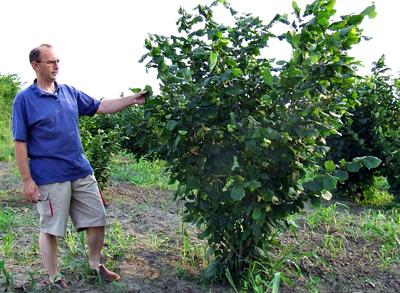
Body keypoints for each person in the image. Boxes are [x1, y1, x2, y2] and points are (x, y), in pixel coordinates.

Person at [12, 44, 147, 289]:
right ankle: (54, 277)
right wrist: (27, 180)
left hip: (80, 169)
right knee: (51, 228)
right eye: (51, 62)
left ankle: (95, 264)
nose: (56, 66)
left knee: (97, 217)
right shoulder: (24, 100)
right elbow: (20, 142)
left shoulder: (69, 92)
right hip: (50, 175)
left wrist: (132, 100)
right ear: (35, 65)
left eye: (58, 61)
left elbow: (101, 106)